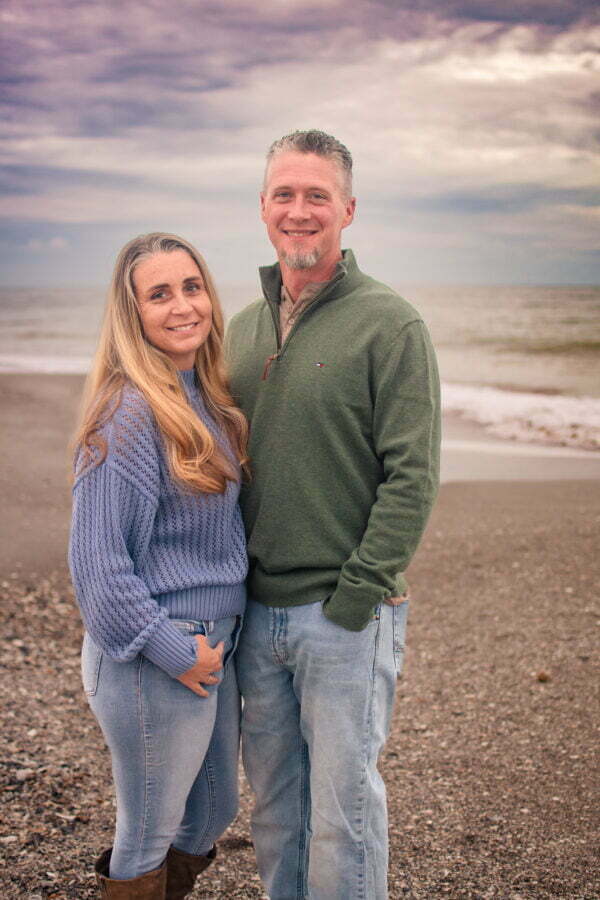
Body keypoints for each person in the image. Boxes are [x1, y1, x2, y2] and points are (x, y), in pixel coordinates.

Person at [226, 130, 441, 899]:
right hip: (256, 616)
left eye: (317, 195)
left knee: (342, 816)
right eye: (284, 194)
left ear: (347, 210)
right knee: (278, 812)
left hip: (344, 616)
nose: (299, 210)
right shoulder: (241, 331)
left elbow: (413, 475)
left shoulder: (392, 325)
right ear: (262, 207)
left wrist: (356, 595)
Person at [68, 233, 249, 899]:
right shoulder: (127, 414)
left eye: (192, 287)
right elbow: (97, 567)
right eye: (159, 294)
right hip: (156, 653)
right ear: (133, 313)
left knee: (212, 812)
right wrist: (175, 651)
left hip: (214, 644)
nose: (183, 306)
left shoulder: (203, 397)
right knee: (147, 832)